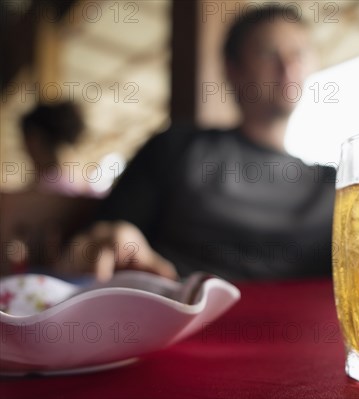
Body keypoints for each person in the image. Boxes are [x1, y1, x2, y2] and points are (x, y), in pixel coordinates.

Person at [60, 5, 336, 281]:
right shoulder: (178, 149)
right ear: (232, 69)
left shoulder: (333, 186)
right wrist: (110, 241)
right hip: (182, 317)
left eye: (299, 54)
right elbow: (84, 250)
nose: (287, 66)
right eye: (268, 53)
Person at [20, 101, 88, 196]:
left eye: (25, 139)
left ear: (34, 139)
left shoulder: (42, 190)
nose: (23, 149)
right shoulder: (77, 183)